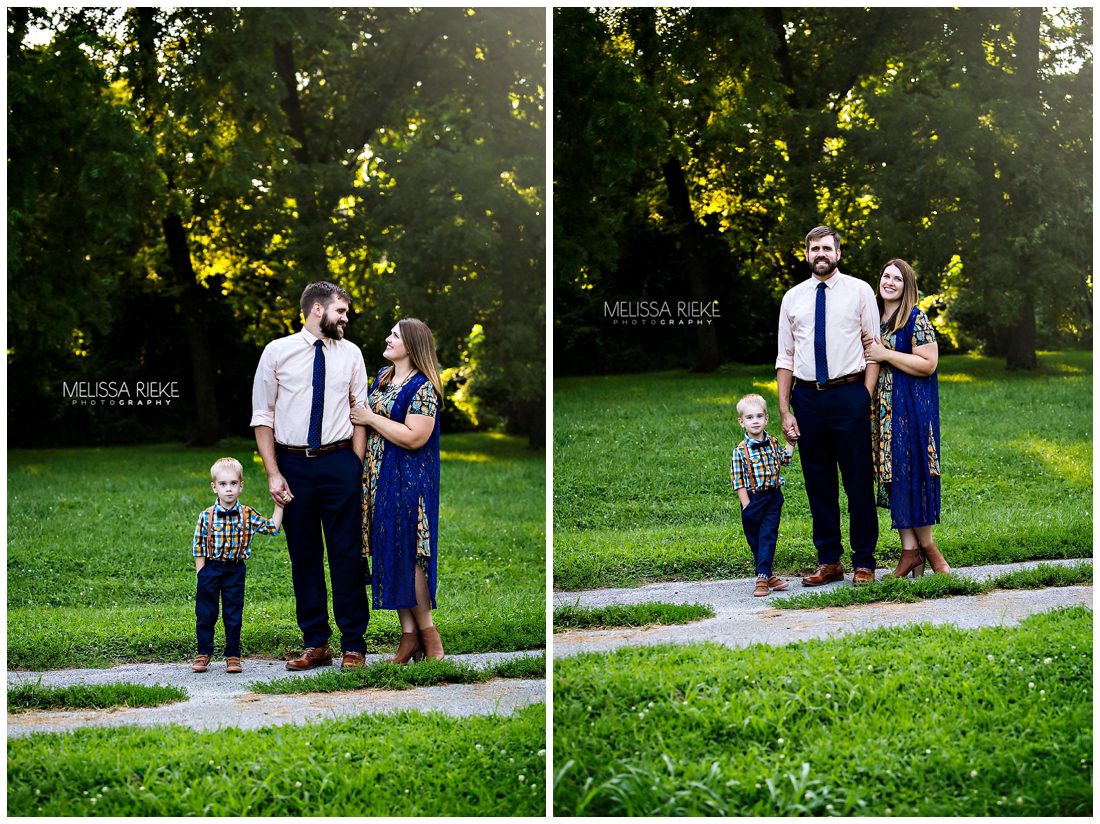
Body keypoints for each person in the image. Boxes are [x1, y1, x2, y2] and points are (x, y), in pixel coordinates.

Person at [251, 281, 372, 670]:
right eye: (341, 311)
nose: (346, 318)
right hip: (294, 467)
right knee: (304, 555)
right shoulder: (277, 352)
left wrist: (353, 463)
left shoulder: (351, 353)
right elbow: (263, 416)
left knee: (346, 555)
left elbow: (360, 410)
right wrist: (273, 473)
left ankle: (354, 643)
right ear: (317, 310)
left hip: (340, 463)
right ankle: (316, 643)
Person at [776, 225, 881, 587]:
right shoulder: (793, 297)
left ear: (838, 252)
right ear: (806, 254)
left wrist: (864, 395)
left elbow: (873, 347)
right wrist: (785, 408)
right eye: (814, 249)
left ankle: (864, 561)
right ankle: (829, 561)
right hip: (807, 399)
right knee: (818, 484)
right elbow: (785, 356)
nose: (820, 254)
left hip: (849, 394)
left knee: (857, 483)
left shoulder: (860, 291)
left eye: (826, 248)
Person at [351, 318, 444, 662]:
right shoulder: (383, 378)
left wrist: (370, 418)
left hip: (408, 482)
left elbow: (415, 436)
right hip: (376, 480)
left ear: (412, 345)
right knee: (389, 552)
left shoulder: (423, 387)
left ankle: (430, 636)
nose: (387, 338)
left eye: (395, 335)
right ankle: (408, 637)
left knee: (412, 557)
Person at [863, 259, 950, 576]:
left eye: (897, 279)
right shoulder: (874, 317)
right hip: (882, 414)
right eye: (885, 275)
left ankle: (929, 550)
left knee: (915, 475)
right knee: (894, 478)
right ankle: (910, 552)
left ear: (906, 286)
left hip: (909, 410)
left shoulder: (915, 318)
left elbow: (928, 363)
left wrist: (885, 354)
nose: (889, 282)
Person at [192, 457, 283, 673]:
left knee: (233, 614)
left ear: (241, 485)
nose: (229, 489)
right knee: (206, 613)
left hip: (234, 569)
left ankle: (233, 655)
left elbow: (272, 528)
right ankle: (203, 652)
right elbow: (198, 546)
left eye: (233, 483)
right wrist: (201, 573)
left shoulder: (247, 514)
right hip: (210, 569)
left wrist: (279, 505)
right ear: (214, 487)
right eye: (223, 484)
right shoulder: (206, 516)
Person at [730, 393, 794, 597]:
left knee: (768, 535)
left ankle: (762, 579)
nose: (755, 421)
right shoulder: (740, 451)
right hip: (752, 500)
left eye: (759, 416)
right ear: (741, 422)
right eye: (749, 417)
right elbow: (738, 480)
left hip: (773, 497)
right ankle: (767, 573)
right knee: (755, 540)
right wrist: (747, 506)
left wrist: (791, 442)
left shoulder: (774, 442)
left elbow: (785, 460)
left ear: (766, 418)